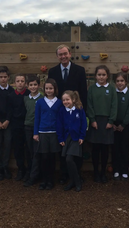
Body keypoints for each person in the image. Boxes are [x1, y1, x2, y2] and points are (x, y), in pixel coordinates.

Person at [48, 44, 88, 184]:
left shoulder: (79, 70)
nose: (63, 56)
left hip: (76, 113)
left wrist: (83, 113)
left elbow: (83, 93)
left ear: (70, 54)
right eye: (60, 54)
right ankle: (64, 174)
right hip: (60, 113)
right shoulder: (52, 72)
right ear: (57, 56)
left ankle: (77, 174)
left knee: (77, 147)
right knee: (62, 146)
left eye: (65, 54)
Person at [86, 65, 117, 183]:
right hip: (95, 122)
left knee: (105, 150)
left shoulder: (112, 89)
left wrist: (111, 121)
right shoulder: (92, 89)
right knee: (95, 149)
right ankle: (95, 173)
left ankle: (103, 172)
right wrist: (92, 120)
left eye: (103, 75)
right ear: (95, 76)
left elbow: (114, 106)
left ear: (107, 76)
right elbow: (89, 105)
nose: (101, 77)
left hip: (107, 122)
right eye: (99, 75)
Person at [33, 78, 62, 190]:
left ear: (55, 89)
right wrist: (36, 133)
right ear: (44, 89)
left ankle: (50, 180)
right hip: (43, 132)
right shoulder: (40, 102)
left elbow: (60, 119)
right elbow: (37, 118)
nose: (49, 90)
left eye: (51, 88)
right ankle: (44, 180)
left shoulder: (59, 102)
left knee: (52, 157)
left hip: (54, 133)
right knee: (44, 157)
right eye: (47, 88)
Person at [56, 91, 87, 192]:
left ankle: (77, 181)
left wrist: (82, 136)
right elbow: (59, 125)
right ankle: (72, 181)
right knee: (67, 161)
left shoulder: (79, 110)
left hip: (76, 138)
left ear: (73, 100)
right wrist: (60, 138)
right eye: (63, 100)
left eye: (67, 99)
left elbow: (83, 124)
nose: (65, 101)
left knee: (69, 159)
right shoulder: (62, 111)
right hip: (66, 138)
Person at [7, 74, 30, 181]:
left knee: (29, 149)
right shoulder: (11, 96)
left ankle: (30, 170)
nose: (20, 83)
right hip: (16, 126)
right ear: (14, 83)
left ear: (25, 83)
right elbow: (10, 112)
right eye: (18, 81)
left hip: (28, 125)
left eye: (22, 81)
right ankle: (21, 169)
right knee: (18, 149)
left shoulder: (29, 94)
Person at [112, 72, 129, 181]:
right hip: (113, 125)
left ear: (126, 82)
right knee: (115, 148)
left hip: (124, 125)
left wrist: (123, 124)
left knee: (124, 148)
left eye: (122, 81)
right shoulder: (113, 93)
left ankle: (125, 170)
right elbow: (110, 108)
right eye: (118, 81)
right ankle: (116, 169)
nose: (120, 83)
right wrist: (112, 122)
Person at [23, 75, 43, 186]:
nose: (33, 87)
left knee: (36, 152)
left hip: (38, 129)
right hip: (27, 127)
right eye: (31, 85)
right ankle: (29, 171)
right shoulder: (26, 98)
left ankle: (34, 175)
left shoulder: (42, 99)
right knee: (29, 151)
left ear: (39, 86)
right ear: (27, 86)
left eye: (35, 84)